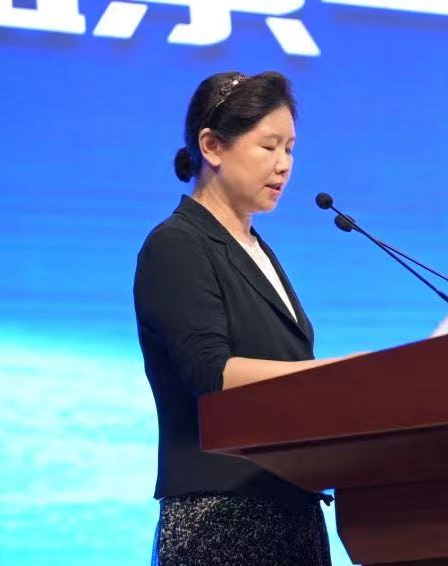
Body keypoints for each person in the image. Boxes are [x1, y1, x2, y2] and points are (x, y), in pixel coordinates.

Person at [133, 71, 357, 566]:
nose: (284, 164)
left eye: (290, 149)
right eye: (269, 147)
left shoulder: (256, 249)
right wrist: (337, 375)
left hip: (292, 511)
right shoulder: (177, 244)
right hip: (222, 519)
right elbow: (209, 372)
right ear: (212, 146)